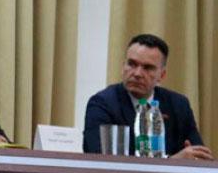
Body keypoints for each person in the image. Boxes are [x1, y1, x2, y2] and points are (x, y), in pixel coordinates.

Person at [83, 33, 212, 159]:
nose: (137, 73)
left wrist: (192, 158)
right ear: (123, 67)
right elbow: (100, 159)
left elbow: (200, 156)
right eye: (132, 64)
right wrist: (172, 162)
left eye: (148, 68)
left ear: (162, 75)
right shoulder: (102, 104)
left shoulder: (178, 105)